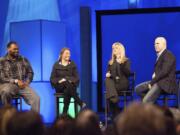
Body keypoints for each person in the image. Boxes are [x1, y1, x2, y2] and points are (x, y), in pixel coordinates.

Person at [0, 41, 40, 112]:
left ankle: (33, 120)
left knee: (36, 98)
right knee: (5, 91)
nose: (17, 51)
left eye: (17, 49)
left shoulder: (23, 59)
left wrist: (26, 82)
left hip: (22, 85)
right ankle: (8, 116)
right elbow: (2, 78)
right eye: (14, 49)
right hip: (8, 85)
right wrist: (15, 81)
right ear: (8, 49)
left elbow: (30, 72)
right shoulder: (2, 60)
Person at [135, 37, 178, 103]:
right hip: (158, 81)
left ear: (164, 44)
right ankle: (156, 108)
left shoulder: (168, 55)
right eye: (155, 44)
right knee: (138, 89)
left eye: (158, 43)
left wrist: (152, 82)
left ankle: (149, 104)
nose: (155, 45)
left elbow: (164, 72)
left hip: (165, 83)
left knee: (145, 101)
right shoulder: (160, 55)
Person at [50, 47, 86, 115]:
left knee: (68, 89)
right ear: (62, 55)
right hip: (60, 86)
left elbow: (77, 77)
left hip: (70, 86)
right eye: (66, 53)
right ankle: (79, 102)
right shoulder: (56, 65)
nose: (68, 55)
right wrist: (61, 80)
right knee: (67, 84)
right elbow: (52, 78)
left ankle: (64, 112)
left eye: (69, 53)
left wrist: (68, 79)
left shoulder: (72, 64)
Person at [105, 42, 131, 118]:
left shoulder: (126, 60)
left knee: (108, 93)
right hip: (113, 84)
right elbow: (109, 73)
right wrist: (108, 74)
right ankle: (115, 104)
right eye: (113, 48)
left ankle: (115, 113)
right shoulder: (110, 62)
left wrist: (121, 64)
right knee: (107, 80)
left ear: (120, 50)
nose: (114, 50)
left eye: (116, 48)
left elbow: (128, 73)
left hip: (122, 84)